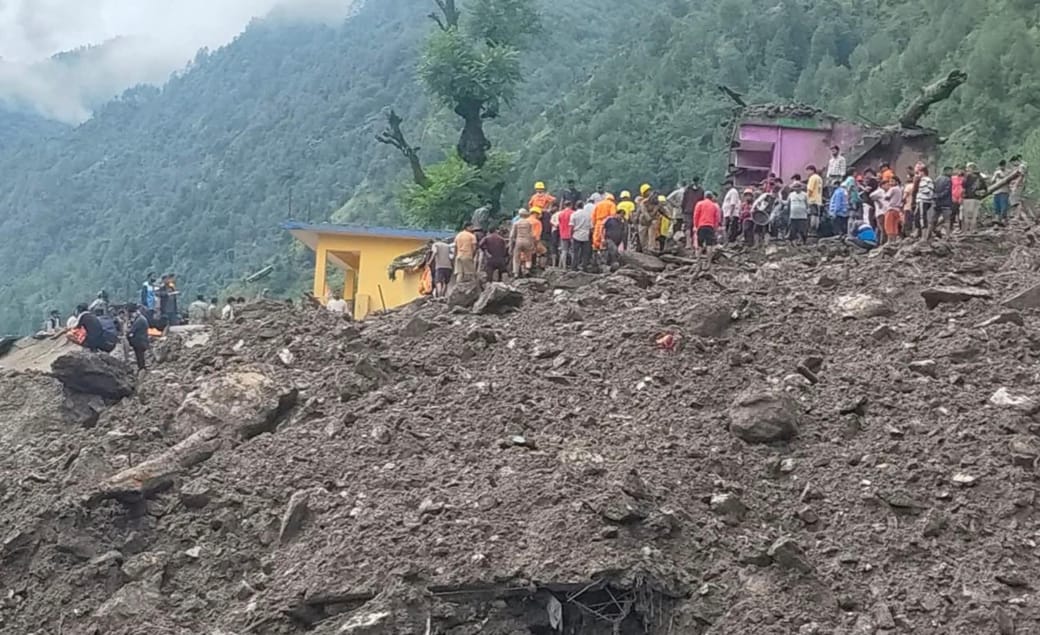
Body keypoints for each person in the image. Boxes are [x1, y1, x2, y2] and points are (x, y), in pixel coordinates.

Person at [509, 209, 536, 278]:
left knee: (516, 257)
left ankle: (516, 273)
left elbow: (511, 235)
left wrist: (510, 245)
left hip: (519, 241)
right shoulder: (529, 224)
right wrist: (533, 244)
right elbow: (532, 235)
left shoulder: (516, 223)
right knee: (528, 256)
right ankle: (527, 270)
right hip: (527, 241)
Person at [962, 163, 987, 233]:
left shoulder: (968, 176)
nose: (966, 169)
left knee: (968, 215)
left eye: (968, 168)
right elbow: (985, 189)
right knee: (974, 215)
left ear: (971, 168)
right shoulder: (980, 177)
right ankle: (972, 230)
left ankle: (968, 230)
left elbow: (963, 185)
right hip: (976, 198)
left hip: (969, 198)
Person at [693, 191, 721, 255]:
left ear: (704, 197)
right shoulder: (714, 206)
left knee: (700, 245)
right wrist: (715, 228)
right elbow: (716, 218)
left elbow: (696, 215)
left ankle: (698, 259)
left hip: (701, 226)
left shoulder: (699, 204)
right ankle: (708, 261)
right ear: (711, 197)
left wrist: (695, 226)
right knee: (709, 245)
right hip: (710, 226)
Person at [570, 200, 594, 270]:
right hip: (586, 236)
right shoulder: (588, 215)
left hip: (576, 235)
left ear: (576, 206)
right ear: (583, 206)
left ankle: (574, 267)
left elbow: (571, 226)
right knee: (585, 253)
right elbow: (591, 227)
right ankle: (584, 267)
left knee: (575, 253)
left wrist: (571, 235)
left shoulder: (574, 214)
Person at [681, 178, 705, 247]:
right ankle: (694, 243)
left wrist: (683, 209)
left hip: (688, 210)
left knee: (688, 227)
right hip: (697, 211)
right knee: (695, 227)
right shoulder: (701, 190)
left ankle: (688, 244)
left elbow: (684, 201)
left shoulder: (687, 189)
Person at [127, 305, 150, 371]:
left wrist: (127, 334)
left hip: (140, 341)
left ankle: (142, 368)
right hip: (141, 340)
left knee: (140, 356)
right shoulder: (140, 318)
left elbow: (132, 330)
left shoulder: (139, 320)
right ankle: (141, 368)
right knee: (140, 356)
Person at [916, 166, 937, 240]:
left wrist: (922, 194)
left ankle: (924, 236)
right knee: (918, 216)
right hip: (924, 200)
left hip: (923, 200)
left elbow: (927, 190)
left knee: (922, 217)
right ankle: (921, 234)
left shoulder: (925, 180)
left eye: (919, 172)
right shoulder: (927, 180)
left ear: (923, 172)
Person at [883, 177, 904, 241]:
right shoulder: (900, 189)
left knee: (888, 226)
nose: (890, 183)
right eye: (890, 181)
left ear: (896, 182)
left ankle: (890, 241)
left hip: (891, 209)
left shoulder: (892, 189)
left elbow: (886, 197)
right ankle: (894, 240)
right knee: (894, 225)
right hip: (897, 210)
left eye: (892, 181)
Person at [557, 201, 575, 269]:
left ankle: (563, 266)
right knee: (573, 251)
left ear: (564, 205)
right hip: (572, 234)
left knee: (564, 251)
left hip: (563, 234)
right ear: (571, 205)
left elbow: (559, 223)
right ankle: (573, 265)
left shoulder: (560, 214)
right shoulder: (573, 213)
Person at [806, 165, 824, 233]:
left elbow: (810, 190)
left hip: (812, 199)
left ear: (812, 170)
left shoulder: (812, 178)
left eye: (808, 171)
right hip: (818, 200)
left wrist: (806, 198)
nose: (807, 173)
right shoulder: (819, 178)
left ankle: (812, 229)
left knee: (813, 215)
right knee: (817, 215)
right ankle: (816, 230)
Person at [992, 160, 1011, 224]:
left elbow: (1009, 181)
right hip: (996, 191)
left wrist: (1002, 177)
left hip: (1004, 191)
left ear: (1005, 165)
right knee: (996, 206)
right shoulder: (996, 172)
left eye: (1002, 166)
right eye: (1000, 166)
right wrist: (995, 176)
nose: (1001, 167)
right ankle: (997, 218)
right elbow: (992, 181)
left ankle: (1003, 219)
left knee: (1004, 206)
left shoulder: (1008, 172)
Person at [1009, 155, 1028, 219]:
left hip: (1019, 185)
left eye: (1013, 163)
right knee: (1014, 200)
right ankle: (1019, 214)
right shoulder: (1018, 167)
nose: (1012, 164)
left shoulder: (1021, 166)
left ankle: (1017, 216)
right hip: (1017, 185)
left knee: (1016, 200)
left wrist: (1015, 185)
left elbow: (1021, 176)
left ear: (1016, 161)